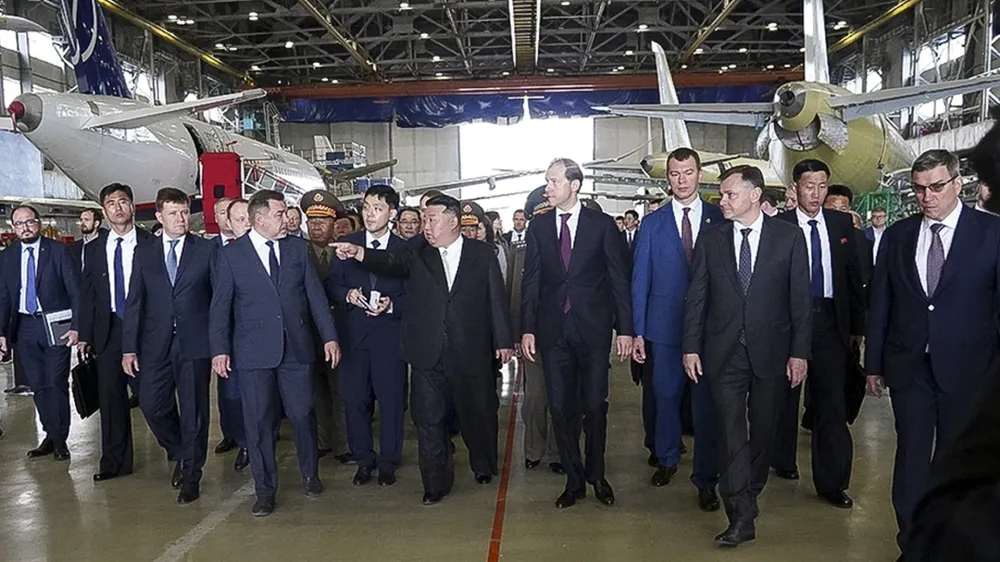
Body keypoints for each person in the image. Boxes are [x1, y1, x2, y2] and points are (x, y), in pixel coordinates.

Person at [331, 194, 513, 505]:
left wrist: (503, 341)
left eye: (431, 219)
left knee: (478, 414)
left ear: (452, 221)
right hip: (427, 351)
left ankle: (482, 463)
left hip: (471, 350)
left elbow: (496, 299)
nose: (425, 225)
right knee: (428, 420)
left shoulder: (481, 255)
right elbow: (390, 261)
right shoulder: (416, 250)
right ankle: (435, 482)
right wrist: (360, 252)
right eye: (424, 219)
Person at [865, 149, 1000, 549]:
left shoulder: (991, 233)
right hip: (910, 369)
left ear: (959, 184)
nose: (927, 196)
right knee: (910, 460)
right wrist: (873, 364)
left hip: (972, 369)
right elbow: (882, 304)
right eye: (920, 188)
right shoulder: (898, 235)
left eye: (937, 186)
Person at [682, 165, 811, 547]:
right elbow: (697, 298)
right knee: (731, 432)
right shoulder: (711, 240)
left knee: (765, 430)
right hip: (723, 353)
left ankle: (749, 491)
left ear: (754, 195)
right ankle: (739, 512)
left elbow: (800, 301)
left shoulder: (788, 238)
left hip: (772, 350)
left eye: (729, 194)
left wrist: (799, 353)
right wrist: (691, 346)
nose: (722, 201)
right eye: (722, 195)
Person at [209, 189, 341, 517]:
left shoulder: (298, 250)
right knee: (259, 422)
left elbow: (315, 297)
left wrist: (329, 336)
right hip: (253, 354)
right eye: (281, 214)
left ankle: (311, 474)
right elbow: (220, 307)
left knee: (302, 414)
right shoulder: (232, 255)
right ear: (260, 218)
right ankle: (265, 489)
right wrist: (219, 349)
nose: (287, 219)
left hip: (296, 350)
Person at [520, 158, 633, 509]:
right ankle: (573, 478)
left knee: (595, 406)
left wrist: (626, 330)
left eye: (553, 182)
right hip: (553, 331)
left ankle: (596, 474)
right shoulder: (538, 228)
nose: (547, 188)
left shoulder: (602, 226)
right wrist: (526, 328)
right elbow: (532, 282)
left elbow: (618, 280)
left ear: (575, 185)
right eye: (546, 182)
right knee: (559, 406)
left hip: (593, 330)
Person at [631, 147, 723, 510]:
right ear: (666, 178)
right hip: (663, 328)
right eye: (674, 173)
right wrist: (638, 331)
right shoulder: (652, 225)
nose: (681, 180)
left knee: (706, 406)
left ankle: (706, 478)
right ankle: (667, 458)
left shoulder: (720, 218)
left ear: (700, 174)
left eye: (688, 172)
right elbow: (640, 280)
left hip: (709, 330)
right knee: (665, 397)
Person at [772, 160, 865, 509]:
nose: (816, 193)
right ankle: (781, 460)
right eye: (809, 186)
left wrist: (857, 328)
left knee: (831, 403)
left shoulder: (841, 224)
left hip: (828, 321)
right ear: (795, 188)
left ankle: (832, 483)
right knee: (783, 395)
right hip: (786, 322)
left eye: (822, 186)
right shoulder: (778, 225)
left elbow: (852, 277)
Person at [121, 188, 216, 503]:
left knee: (195, 412)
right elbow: (134, 301)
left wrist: (220, 345)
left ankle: (192, 473)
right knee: (151, 404)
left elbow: (218, 301)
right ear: (159, 217)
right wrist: (128, 348)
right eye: (174, 213)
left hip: (195, 344)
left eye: (185, 212)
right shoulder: (145, 252)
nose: (181, 219)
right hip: (155, 343)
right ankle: (177, 449)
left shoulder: (205, 250)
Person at [327, 185, 407, 487]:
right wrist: (347, 294)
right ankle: (364, 459)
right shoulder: (346, 245)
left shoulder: (405, 249)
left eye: (377, 208)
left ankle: (388, 461)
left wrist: (392, 305)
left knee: (391, 402)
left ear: (393, 213)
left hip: (389, 337)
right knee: (355, 401)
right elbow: (331, 284)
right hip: (354, 337)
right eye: (366, 207)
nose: (370, 213)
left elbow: (414, 293)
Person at [76, 183, 155, 481]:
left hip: (146, 331)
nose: (118, 207)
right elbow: (89, 294)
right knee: (111, 400)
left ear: (133, 207)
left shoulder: (150, 244)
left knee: (152, 398)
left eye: (123, 201)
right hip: (108, 330)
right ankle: (114, 462)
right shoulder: (95, 249)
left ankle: (178, 449)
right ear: (104, 211)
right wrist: (84, 334)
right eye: (111, 203)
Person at [0, 205, 79, 460]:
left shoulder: (58, 251)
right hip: (24, 326)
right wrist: (1, 331)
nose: (25, 227)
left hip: (56, 324)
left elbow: (75, 291)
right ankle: (50, 434)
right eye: (19, 224)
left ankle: (60, 440)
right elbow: (3, 297)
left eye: (30, 222)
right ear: (13, 228)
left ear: (39, 223)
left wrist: (77, 326)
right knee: (38, 385)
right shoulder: (8, 257)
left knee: (56, 383)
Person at [300, 190, 352, 465]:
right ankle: (322, 442)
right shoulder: (297, 252)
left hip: (341, 330)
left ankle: (344, 445)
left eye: (322, 221)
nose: (316, 226)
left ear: (334, 224)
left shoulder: (346, 252)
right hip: (308, 332)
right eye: (311, 221)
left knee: (341, 390)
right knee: (315, 390)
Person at [514, 193, 561, 473]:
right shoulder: (520, 252)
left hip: (562, 336)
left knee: (561, 398)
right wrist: (515, 335)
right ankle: (533, 450)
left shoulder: (568, 248)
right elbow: (514, 296)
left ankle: (557, 453)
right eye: (538, 217)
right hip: (533, 338)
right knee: (534, 399)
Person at [211, 196, 244, 460]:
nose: (228, 217)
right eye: (222, 213)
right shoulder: (207, 250)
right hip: (222, 331)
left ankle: (248, 441)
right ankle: (229, 433)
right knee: (226, 391)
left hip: (249, 330)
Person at [70, 208, 103, 272]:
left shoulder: (105, 244)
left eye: (86, 220)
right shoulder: (76, 246)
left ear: (96, 223)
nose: (82, 223)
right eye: (81, 220)